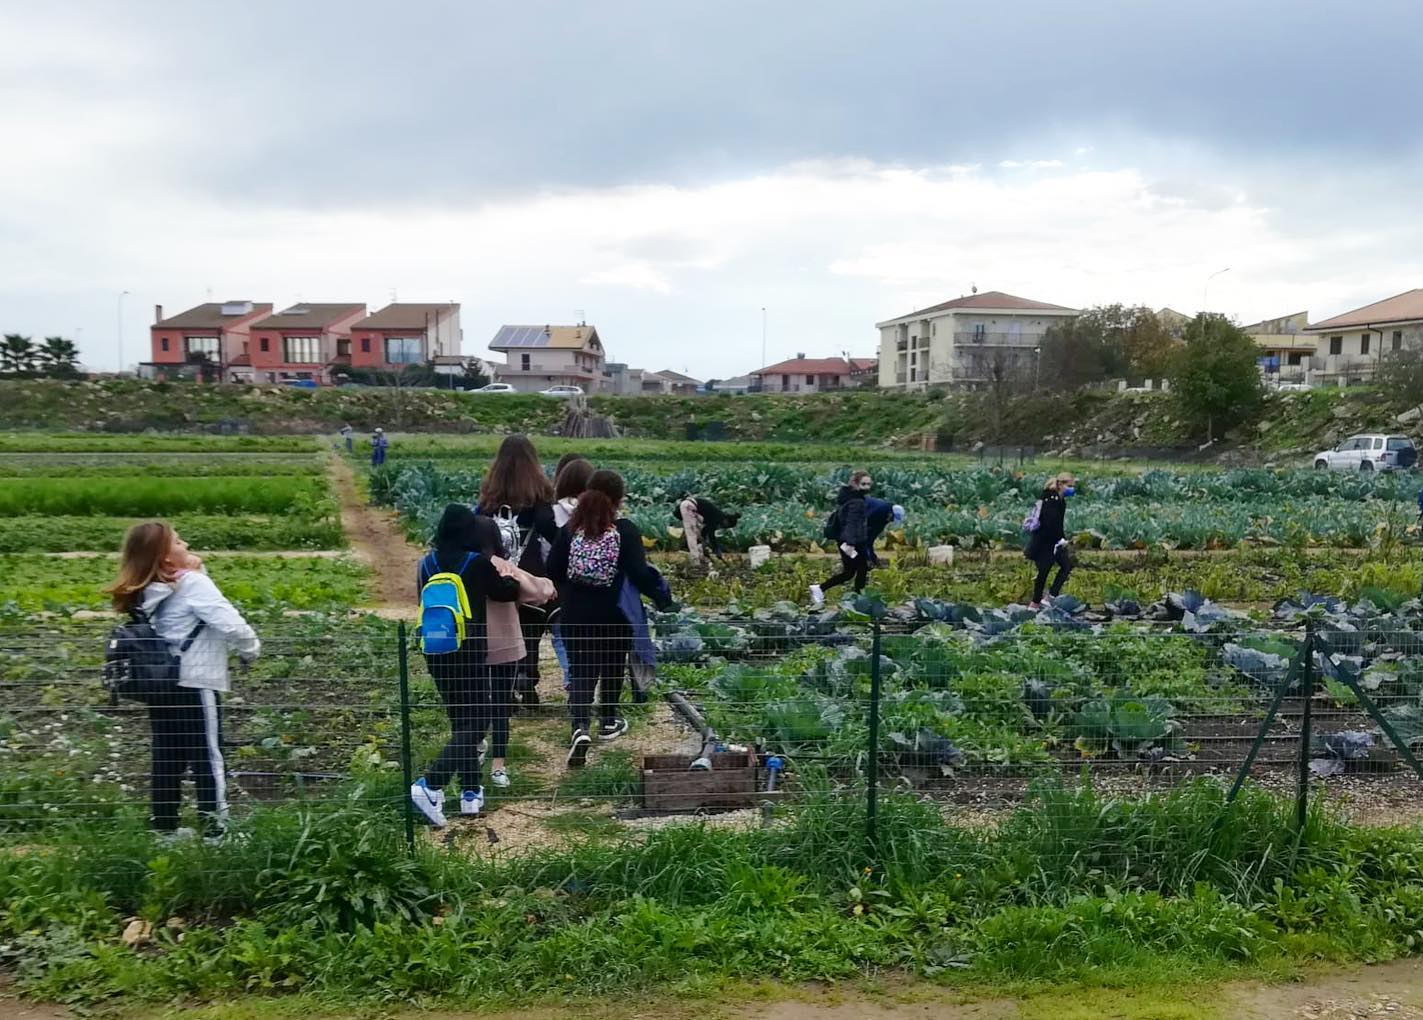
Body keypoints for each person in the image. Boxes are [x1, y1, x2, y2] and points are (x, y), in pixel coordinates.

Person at [104, 522, 260, 841]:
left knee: (167, 756)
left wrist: (198, 569)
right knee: (208, 755)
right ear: (166, 559)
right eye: (177, 541)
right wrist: (251, 651)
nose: (186, 543)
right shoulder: (192, 584)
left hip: (160, 684)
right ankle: (216, 831)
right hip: (195, 679)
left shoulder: (146, 590)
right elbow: (231, 624)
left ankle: (165, 831)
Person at [547, 469, 675, 767]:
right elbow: (640, 574)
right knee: (613, 664)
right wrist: (662, 597)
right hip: (615, 612)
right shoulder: (625, 530)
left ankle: (580, 727)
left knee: (581, 670)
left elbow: (552, 569)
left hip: (576, 612)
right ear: (618, 499)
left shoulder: (569, 529)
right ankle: (608, 720)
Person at [410, 505, 522, 827]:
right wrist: (508, 573)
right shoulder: (477, 563)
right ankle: (430, 785)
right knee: (479, 720)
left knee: (461, 721)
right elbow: (506, 592)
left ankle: (471, 794)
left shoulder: (425, 563)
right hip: (468, 650)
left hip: (435, 648)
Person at [475, 435, 560, 707]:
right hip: (530, 571)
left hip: (496, 571)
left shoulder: (490, 494)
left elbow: (476, 526)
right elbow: (552, 532)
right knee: (531, 627)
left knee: (500, 629)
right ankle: (527, 679)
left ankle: (504, 687)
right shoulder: (538, 494)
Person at [550, 457, 595, 690]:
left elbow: (548, 555)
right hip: (595, 587)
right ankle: (589, 685)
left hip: (562, 587)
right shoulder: (599, 512)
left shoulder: (553, 513)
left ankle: (572, 678)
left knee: (561, 634)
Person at [810, 470, 873, 607]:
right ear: (855, 484)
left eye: (868, 484)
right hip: (852, 542)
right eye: (863, 484)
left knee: (851, 572)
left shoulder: (847, 498)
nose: (867, 487)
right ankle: (858, 600)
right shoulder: (857, 502)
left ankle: (821, 589)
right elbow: (851, 523)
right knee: (860, 569)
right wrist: (850, 543)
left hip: (846, 541)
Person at [1024, 472, 1077, 609]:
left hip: (1054, 541)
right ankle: (1035, 603)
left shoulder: (1060, 501)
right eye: (1069, 486)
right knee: (1044, 571)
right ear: (1060, 485)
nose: (1071, 489)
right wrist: (1060, 539)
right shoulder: (1050, 500)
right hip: (1044, 542)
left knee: (1066, 566)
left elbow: (1058, 524)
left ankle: (1049, 596)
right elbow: (1049, 524)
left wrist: (1062, 539)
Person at [671, 494, 741, 566]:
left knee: (695, 533)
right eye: (727, 526)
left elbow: (705, 531)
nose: (724, 527)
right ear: (727, 521)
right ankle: (695, 562)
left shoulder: (717, 516)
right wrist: (716, 550)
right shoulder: (718, 517)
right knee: (692, 535)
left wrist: (705, 543)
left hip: (690, 508)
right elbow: (711, 535)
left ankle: (698, 555)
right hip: (690, 507)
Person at [863, 497, 905, 568]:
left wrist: (874, 559)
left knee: (867, 543)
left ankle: (870, 562)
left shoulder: (885, 515)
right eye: (892, 519)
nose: (891, 521)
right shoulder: (878, 510)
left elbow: (872, 536)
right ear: (891, 514)